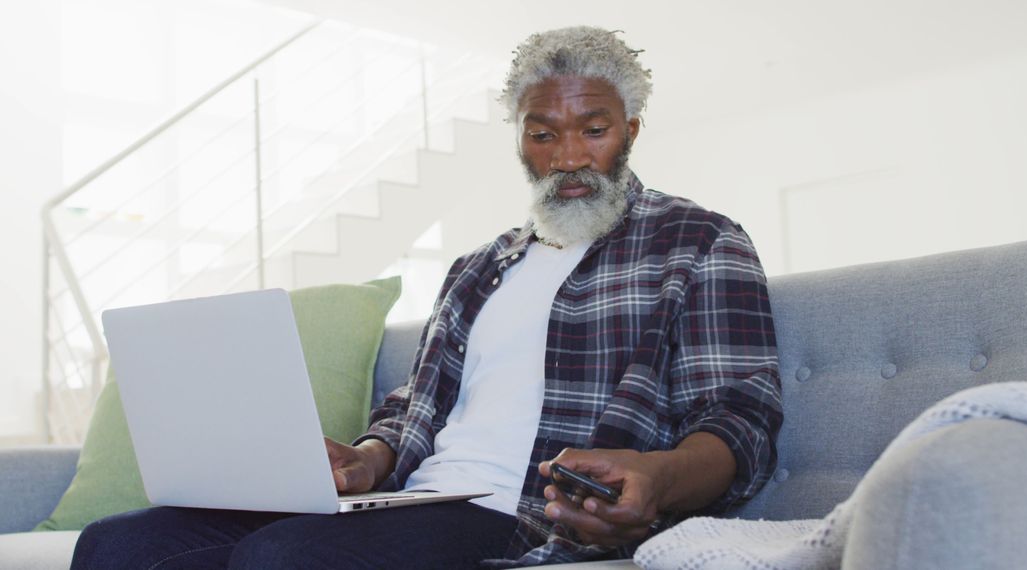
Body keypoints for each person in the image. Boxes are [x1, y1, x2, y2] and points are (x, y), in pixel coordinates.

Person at [72, 26, 782, 569]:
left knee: (283, 558)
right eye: (543, 134)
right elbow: (415, 406)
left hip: (528, 514)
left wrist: (657, 477)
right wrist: (367, 462)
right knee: (119, 545)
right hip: (418, 497)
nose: (568, 157)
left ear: (629, 130)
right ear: (520, 141)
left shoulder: (697, 241)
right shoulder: (480, 266)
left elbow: (740, 418)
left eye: (593, 131)